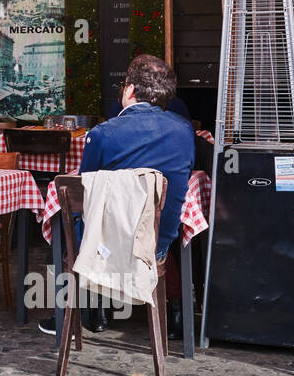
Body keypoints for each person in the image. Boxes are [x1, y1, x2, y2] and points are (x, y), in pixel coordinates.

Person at [38, 54, 195, 337]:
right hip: (155, 248)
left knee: (68, 223)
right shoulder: (184, 132)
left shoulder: (102, 134)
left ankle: (70, 314)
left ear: (130, 90)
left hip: (104, 249)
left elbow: (85, 198)